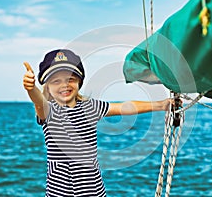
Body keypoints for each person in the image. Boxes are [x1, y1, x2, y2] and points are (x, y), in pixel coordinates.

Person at [23, 49, 174, 197]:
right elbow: (39, 103)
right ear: (47, 87)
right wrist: (31, 88)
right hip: (59, 192)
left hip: (93, 190)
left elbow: (123, 107)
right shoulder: (51, 111)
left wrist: (161, 105)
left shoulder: (91, 107)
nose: (65, 85)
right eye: (56, 81)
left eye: (71, 79)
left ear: (79, 81)